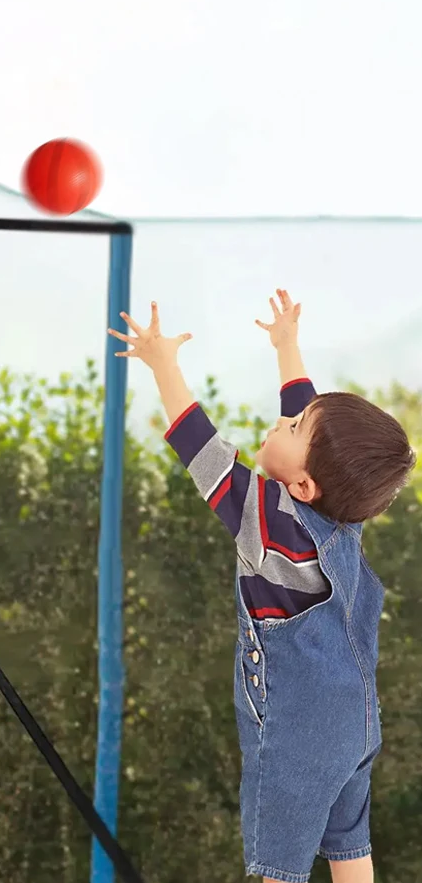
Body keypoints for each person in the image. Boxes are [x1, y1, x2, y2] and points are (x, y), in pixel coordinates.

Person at [107, 290, 415, 883]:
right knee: (351, 849)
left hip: (299, 734)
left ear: (302, 486)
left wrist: (163, 364)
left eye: (292, 427)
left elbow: (201, 449)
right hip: (356, 722)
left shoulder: (266, 519)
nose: (282, 420)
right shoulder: (343, 515)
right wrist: (287, 348)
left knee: (280, 864)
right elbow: (311, 419)